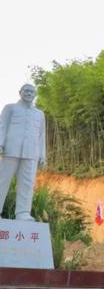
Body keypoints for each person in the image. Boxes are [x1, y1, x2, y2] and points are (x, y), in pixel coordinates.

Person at [0, 84, 46, 221]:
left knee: (27, 183)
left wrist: (42, 155)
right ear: (20, 92)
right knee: (3, 180)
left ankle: (23, 213)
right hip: (11, 149)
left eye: (32, 92)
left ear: (35, 94)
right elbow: (2, 126)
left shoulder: (39, 114)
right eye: (26, 91)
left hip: (31, 152)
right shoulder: (10, 108)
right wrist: (0, 143)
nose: (29, 93)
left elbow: (41, 135)